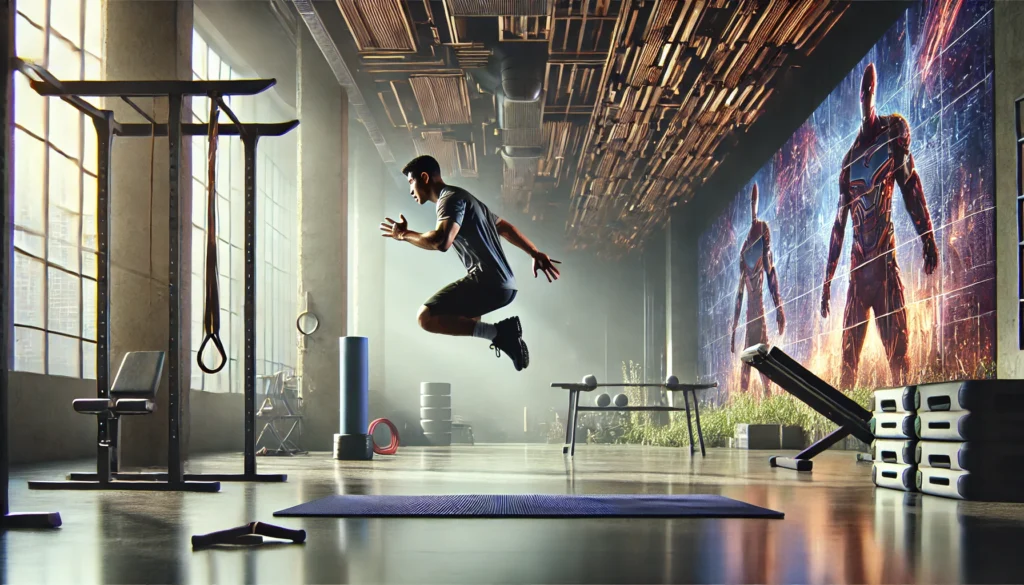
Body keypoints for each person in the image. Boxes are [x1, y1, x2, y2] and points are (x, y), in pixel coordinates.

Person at [380, 155, 561, 371]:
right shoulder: (467, 199)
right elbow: (503, 227)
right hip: (506, 287)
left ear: (425, 177)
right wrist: (534, 251)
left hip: (487, 282)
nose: (410, 190)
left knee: (425, 317)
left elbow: (441, 241)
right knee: (459, 320)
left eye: (411, 182)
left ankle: (502, 333)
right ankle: (501, 334)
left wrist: (404, 235)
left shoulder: (449, 199)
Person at [820, 63, 938, 389]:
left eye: (869, 90)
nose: (866, 95)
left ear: (874, 93)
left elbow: (910, 185)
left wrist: (927, 237)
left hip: (885, 266)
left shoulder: (892, 133)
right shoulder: (848, 163)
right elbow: (839, 226)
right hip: (859, 274)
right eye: (863, 91)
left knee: (900, 361)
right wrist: (827, 281)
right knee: (847, 367)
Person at [730, 183, 785, 397]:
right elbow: (739, 295)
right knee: (752, 365)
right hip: (752, 316)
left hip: (756, 314)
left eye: (754, 202)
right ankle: (758, 404)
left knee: (760, 365)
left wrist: (779, 309)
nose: (753, 208)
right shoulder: (745, 251)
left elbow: (770, 275)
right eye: (752, 203)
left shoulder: (761, 233)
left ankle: (767, 403)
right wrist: (733, 330)